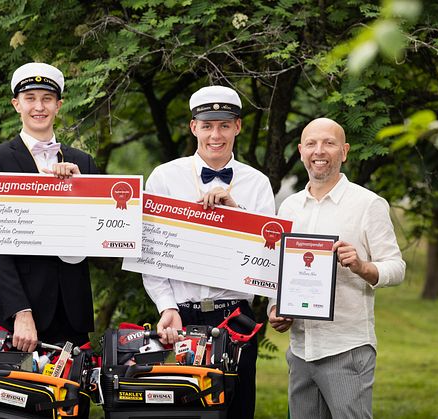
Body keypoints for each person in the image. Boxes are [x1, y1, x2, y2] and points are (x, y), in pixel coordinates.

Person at [142, 85, 275, 419]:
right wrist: (166, 307)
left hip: (235, 317)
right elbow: (152, 254)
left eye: (224, 125)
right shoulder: (164, 177)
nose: (216, 135)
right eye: (207, 125)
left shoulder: (257, 183)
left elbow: (266, 256)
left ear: (238, 127)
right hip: (180, 317)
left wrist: (236, 213)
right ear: (193, 127)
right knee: (183, 410)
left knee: (237, 408)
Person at [268, 117, 406, 419]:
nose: (320, 150)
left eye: (329, 143)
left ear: (344, 151)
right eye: (312, 144)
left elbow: (397, 268)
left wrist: (361, 266)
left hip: (347, 348)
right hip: (301, 348)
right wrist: (275, 307)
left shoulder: (368, 204)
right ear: (301, 150)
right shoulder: (288, 208)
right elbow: (279, 270)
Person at [0, 62, 98, 352]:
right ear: (16, 104)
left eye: (46, 99)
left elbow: (102, 239)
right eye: (30, 98)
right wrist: (20, 311)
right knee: (18, 396)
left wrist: (82, 190)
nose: (39, 107)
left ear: (58, 105)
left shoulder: (84, 163)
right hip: (18, 316)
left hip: (72, 314)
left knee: (69, 397)